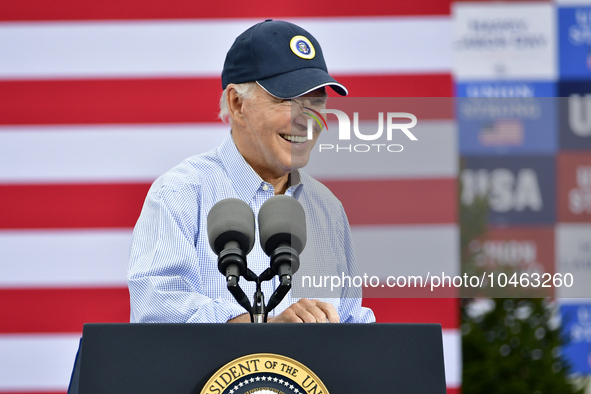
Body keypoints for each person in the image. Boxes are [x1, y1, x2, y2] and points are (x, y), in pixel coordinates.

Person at [127, 20, 375, 324]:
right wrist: (266, 331)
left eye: (317, 102)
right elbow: (157, 312)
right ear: (237, 104)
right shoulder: (180, 193)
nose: (307, 119)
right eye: (287, 100)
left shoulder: (328, 209)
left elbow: (353, 323)